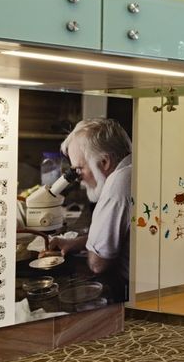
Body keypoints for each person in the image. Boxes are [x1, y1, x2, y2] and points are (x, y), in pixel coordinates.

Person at [49, 118, 133, 302]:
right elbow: (122, 236)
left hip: (132, 290)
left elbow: (97, 263)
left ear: (103, 162)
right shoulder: (134, 167)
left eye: (79, 169)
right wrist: (77, 243)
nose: (77, 177)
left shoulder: (119, 184)